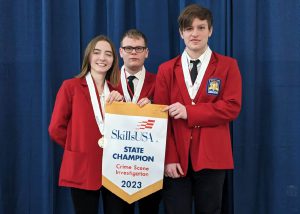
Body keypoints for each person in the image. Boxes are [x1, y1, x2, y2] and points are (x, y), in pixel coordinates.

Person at [153, 4, 242, 214]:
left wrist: (189, 112)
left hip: (213, 157)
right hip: (177, 162)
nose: (195, 33)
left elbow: (231, 108)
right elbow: (160, 118)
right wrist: (169, 157)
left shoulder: (228, 65)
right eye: (189, 28)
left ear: (210, 31)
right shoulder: (166, 70)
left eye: (201, 27)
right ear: (181, 33)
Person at [48, 35, 123, 214]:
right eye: (97, 53)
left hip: (114, 169)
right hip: (83, 167)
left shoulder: (117, 93)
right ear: (88, 56)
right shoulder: (70, 87)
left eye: (108, 54)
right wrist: (77, 146)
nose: (102, 58)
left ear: (113, 60)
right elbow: (56, 128)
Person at [101, 29, 160, 214]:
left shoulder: (159, 82)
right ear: (120, 52)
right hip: (116, 166)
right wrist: (108, 102)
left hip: (149, 167)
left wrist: (154, 106)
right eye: (128, 48)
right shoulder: (107, 82)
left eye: (139, 48)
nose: (133, 52)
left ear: (147, 52)